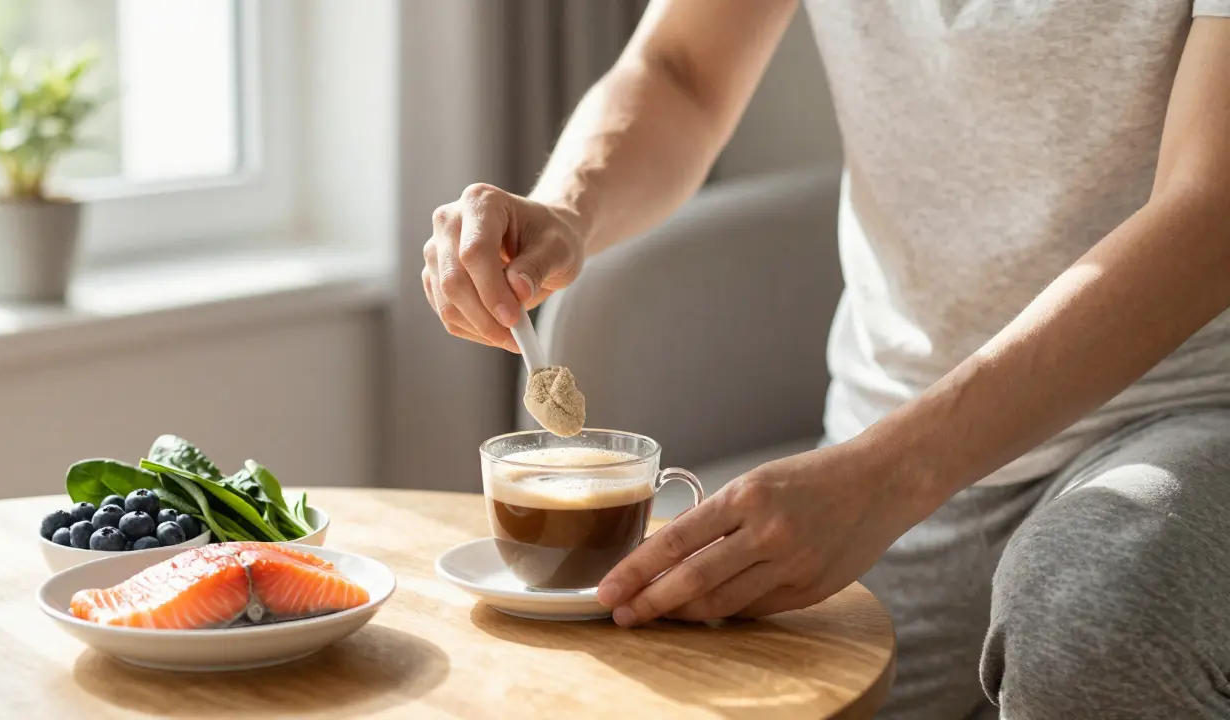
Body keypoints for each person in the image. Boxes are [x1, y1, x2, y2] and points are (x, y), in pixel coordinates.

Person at [420, 1, 1230, 717]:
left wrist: (883, 478)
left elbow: (1211, 218)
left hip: (1180, 414)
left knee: (1093, 609)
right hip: (885, 419)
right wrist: (567, 207)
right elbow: (682, 68)